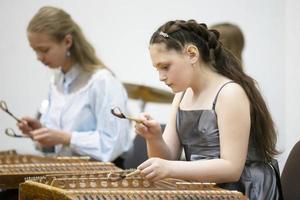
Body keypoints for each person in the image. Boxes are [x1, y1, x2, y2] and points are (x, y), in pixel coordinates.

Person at [135, 20, 281, 199]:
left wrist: (171, 168)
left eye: (165, 67)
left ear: (191, 54)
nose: (161, 77)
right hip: (207, 191)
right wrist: (154, 137)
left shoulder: (229, 93)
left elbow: (232, 168)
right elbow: (167, 158)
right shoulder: (181, 96)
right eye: (157, 69)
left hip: (245, 191)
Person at [17, 6, 132, 168]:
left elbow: (112, 144)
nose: (39, 57)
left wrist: (65, 138)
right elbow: (55, 147)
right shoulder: (56, 81)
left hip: (100, 181)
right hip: (64, 173)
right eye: (34, 50)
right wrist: (42, 132)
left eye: (44, 50)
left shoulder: (102, 81)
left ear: (67, 42)